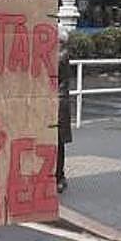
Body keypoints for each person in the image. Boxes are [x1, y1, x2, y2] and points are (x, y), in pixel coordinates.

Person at [56, 26, 72, 194]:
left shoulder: (61, 55)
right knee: (56, 142)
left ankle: (59, 176)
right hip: (57, 102)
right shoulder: (61, 54)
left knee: (57, 142)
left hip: (58, 103)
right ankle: (58, 176)